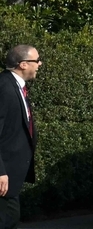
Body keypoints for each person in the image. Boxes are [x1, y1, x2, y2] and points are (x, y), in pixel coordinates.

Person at [0, 45, 39, 229]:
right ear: (23, 64)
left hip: (12, 175)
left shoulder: (16, 86)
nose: (39, 64)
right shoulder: (4, 88)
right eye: (36, 60)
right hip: (3, 175)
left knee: (11, 219)